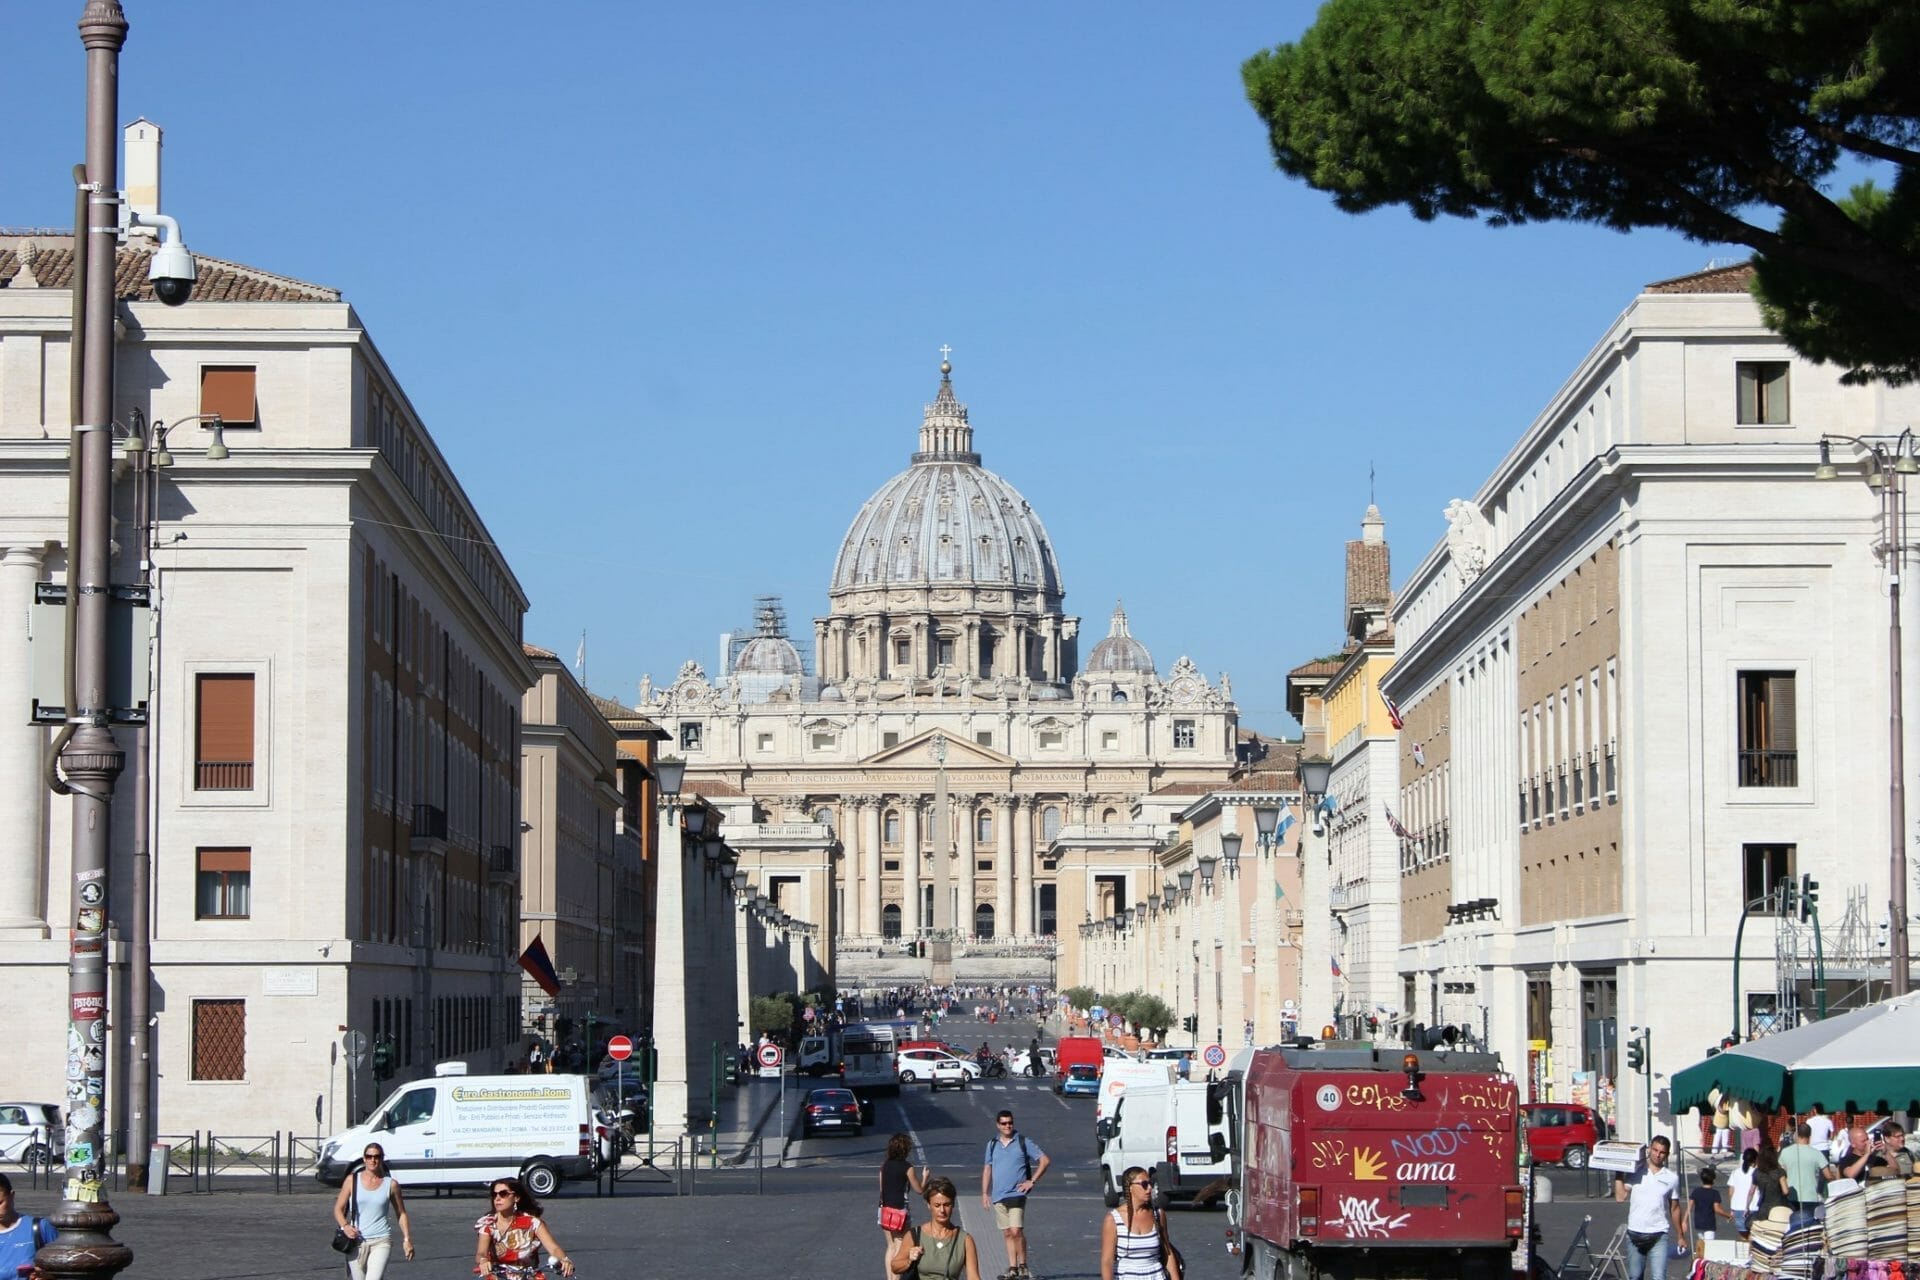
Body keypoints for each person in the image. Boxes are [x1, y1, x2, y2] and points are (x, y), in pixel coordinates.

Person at [982, 1109, 1051, 1280]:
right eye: (1004, 1123)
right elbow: (987, 1168)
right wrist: (984, 1193)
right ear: (998, 1125)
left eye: (1010, 1123)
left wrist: (1032, 1181)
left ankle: (1023, 1265)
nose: (1008, 1126)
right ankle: (1013, 1267)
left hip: (1017, 1194)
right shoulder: (992, 1144)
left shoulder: (1022, 1141)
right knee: (1007, 1233)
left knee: (1016, 1230)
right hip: (998, 1195)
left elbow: (1044, 1160)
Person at [332, 1143, 414, 1280]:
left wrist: (407, 1239)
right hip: (356, 1242)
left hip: (381, 1240)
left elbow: (401, 1213)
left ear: (382, 1159)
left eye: (377, 1156)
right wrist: (345, 1226)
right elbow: (338, 1209)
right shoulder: (352, 1180)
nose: (372, 1160)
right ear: (364, 1159)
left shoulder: (391, 1184)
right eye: (369, 1156)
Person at [1613, 1135, 1684, 1280]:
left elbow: (1675, 1208)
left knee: (1659, 1277)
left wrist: (1680, 1235)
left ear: (1667, 1154)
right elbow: (1620, 1197)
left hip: (1659, 1234)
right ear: (1650, 1149)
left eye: (1662, 1152)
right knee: (1635, 1276)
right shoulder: (1636, 1171)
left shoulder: (1672, 1178)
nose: (1658, 1155)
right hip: (1635, 1233)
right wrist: (1619, 1172)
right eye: (1655, 1150)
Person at [475, 1177, 576, 1279]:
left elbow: (553, 1248)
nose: (497, 1198)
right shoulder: (488, 1224)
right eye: (494, 1194)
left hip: (529, 1275)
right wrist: (483, 1261)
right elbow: (481, 1253)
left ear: (516, 1198)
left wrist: (564, 1260)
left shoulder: (532, 1223)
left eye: (503, 1194)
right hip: (499, 1276)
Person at [893, 1176, 982, 1280]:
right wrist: (909, 1260)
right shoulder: (915, 1235)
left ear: (953, 1204)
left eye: (946, 1205)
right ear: (929, 1205)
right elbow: (895, 1266)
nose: (942, 1210)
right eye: (937, 1205)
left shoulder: (965, 1240)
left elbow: (973, 1277)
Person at [1101, 1166, 1182, 1280]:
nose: (1149, 1188)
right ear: (1130, 1187)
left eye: (1150, 1183)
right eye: (1144, 1184)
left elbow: (1167, 1252)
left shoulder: (1158, 1214)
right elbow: (1107, 1261)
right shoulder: (1113, 1219)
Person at [880, 1132, 930, 1278]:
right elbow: (919, 1189)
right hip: (900, 1210)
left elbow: (882, 1188)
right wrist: (925, 1178)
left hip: (884, 1209)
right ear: (905, 1150)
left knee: (890, 1246)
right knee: (900, 1245)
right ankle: (896, 1277)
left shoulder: (885, 1165)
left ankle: (890, 1278)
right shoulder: (907, 1167)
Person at [0, 1173, 56, 1278]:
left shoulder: (40, 1227)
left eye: (0, 1203)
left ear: (12, 1196)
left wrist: (47, 1276)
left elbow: (63, 1269)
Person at [1779, 1123, 1833, 1221]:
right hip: (1810, 1197)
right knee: (1809, 1228)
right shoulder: (1816, 1153)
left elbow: (1781, 1173)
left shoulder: (1785, 1152)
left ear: (1796, 1134)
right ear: (1810, 1136)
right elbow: (1828, 1175)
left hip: (1791, 1197)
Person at [1840, 1122, 1913, 1181]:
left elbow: (1896, 1170)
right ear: (1853, 1144)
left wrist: (1886, 1153)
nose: (1867, 1142)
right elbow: (1850, 1174)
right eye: (1863, 1141)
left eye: (1867, 1139)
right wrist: (1867, 1154)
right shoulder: (1846, 1159)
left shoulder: (1875, 1159)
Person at [1688, 1165, 1733, 1258]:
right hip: (1709, 1224)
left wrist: (1684, 1221)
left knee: (1701, 1245)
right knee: (1709, 1247)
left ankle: (1699, 1263)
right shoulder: (1714, 1193)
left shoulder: (1696, 1191)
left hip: (1698, 1223)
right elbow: (1717, 1209)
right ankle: (1706, 1265)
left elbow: (1690, 1206)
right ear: (1713, 1180)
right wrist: (1728, 1215)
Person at [1726, 1149, 1759, 1240]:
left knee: (1743, 1236)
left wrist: (1731, 1209)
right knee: (1754, 1236)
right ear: (1755, 1160)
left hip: (1737, 1207)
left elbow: (1731, 1192)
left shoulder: (1735, 1172)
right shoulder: (1757, 1173)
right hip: (1753, 1207)